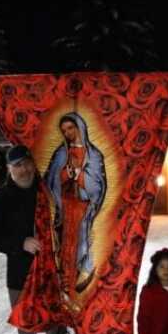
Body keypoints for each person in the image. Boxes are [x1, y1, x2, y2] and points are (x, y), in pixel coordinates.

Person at [0, 144, 74, 334]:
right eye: (17, 166)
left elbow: (67, 225)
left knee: (55, 326)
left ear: (32, 165)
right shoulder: (0, 197)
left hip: (53, 272)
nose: (23, 170)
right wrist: (20, 243)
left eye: (26, 163)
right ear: (9, 170)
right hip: (20, 275)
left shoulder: (48, 193)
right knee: (26, 329)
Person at [45, 112, 107, 297]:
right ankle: (64, 283)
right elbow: (50, 179)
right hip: (64, 207)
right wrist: (65, 174)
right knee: (64, 245)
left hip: (82, 208)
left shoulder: (94, 155)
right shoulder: (61, 152)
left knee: (79, 245)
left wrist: (79, 175)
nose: (68, 132)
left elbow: (98, 185)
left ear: (80, 127)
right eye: (64, 130)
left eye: (70, 128)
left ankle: (75, 283)